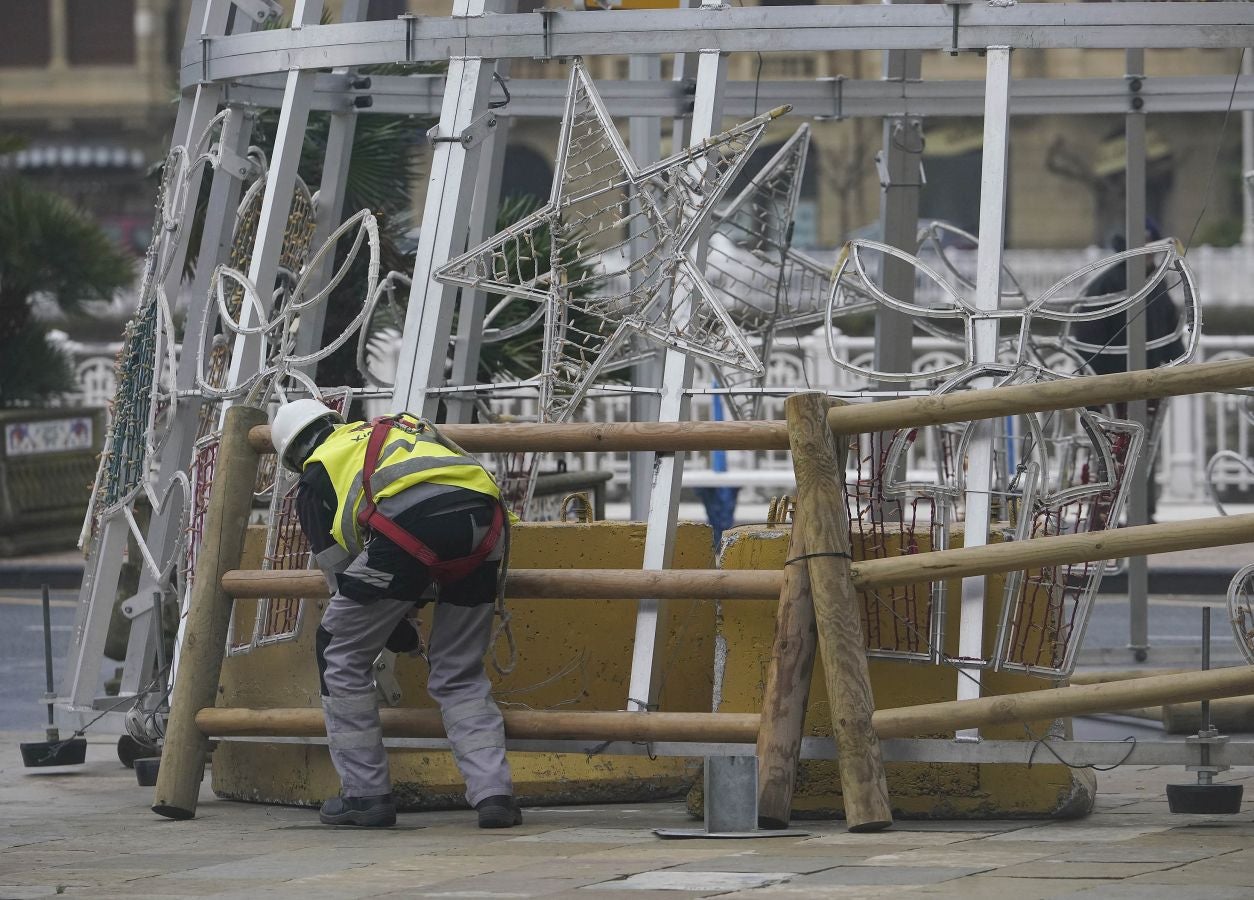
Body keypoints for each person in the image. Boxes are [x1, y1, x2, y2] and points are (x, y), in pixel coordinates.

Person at [270, 399, 520, 829]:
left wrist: (395, 633)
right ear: (334, 422)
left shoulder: (316, 476)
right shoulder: (390, 433)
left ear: (293, 458)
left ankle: (364, 795)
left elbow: (344, 581)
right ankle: (494, 795)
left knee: (339, 652)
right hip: (485, 525)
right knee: (458, 671)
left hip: (411, 529)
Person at [1072, 221, 1186, 521]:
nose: (1149, 252)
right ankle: (1102, 519)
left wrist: (1175, 366)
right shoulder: (1106, 283)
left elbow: (1169, 330)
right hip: (1112, 389)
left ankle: (1142, 516)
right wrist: (1096, 389)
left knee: (1144, 452)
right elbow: (1088, 341)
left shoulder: (1155, 282)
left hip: (1149, 386)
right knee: (1109, 457)